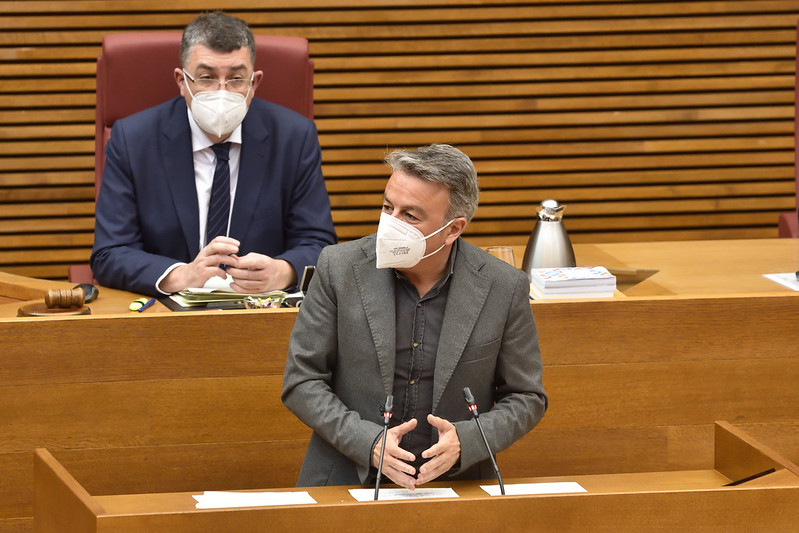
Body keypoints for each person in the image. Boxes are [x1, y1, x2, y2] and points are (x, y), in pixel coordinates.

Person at [282, 144, 547, 489]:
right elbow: (302, 381)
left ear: (453, 229)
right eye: (387, 207)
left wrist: (467, 441)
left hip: (456, 485)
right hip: (347, 478)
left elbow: (527, 396)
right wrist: (369, 442)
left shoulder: (503, 286)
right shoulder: (339, 268)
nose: (390, 225)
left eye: (410, 216)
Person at [90, 12, 336, 297]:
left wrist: (283, 271)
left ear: (253, 84)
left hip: (259, 314)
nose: (222, 92)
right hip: (164, 317)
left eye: (235, 79)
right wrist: (181, 275)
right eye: (206, 78)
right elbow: (109, 254)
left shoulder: (294, 138)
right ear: (182, 81)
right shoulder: (133, 140)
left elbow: (319, 244)